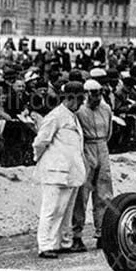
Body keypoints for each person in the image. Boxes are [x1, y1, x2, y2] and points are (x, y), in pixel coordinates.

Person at [32, 82, 86, 259]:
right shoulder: (55, 116)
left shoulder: (72, 116)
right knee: (51, 209)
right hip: (54, 170)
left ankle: (62, 242)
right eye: (79, 100)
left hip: (71, 171)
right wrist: (42, 160)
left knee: (65, 211)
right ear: (70, 98)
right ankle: (45, 245)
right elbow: (40, 142)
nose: (81, 104)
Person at [71, 79, 115, 252]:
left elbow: (109, 131)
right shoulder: (80, 111)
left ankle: (101, 233)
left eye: (98, 93)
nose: (95, 97)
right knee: (82, 193)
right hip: (86, 147)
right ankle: (76, 235)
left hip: (102, 146)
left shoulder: (106, 109)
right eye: (91, 93)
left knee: (104, 194)